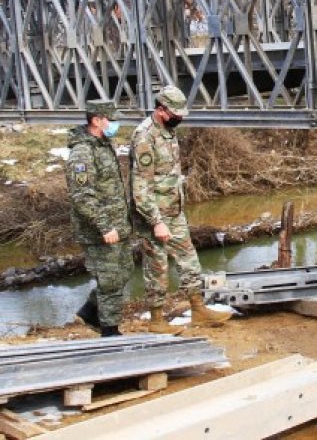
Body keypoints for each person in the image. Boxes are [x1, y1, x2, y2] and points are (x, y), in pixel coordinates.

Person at [130, 86, 230, 333]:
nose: (180, 117)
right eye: (176, 113)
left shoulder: (168, 131)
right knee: (157, 267)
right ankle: (156, 320)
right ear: (161, 109)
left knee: (190, 261)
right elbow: (140, 188)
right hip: (153, 217)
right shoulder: (145, 136)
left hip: (173, 212)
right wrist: (156, 222)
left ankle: (198, 309)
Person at [65, 100, 133, 337]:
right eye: (111, 119)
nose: (115, 123)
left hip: (117, 226)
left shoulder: (103, 144)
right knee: (110, 280)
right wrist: (105, 226)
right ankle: (110, 331)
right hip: (99, 232)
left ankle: (90, 310)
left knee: (124, 271)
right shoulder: (82, 152)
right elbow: (82, 196)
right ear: (96, 120)